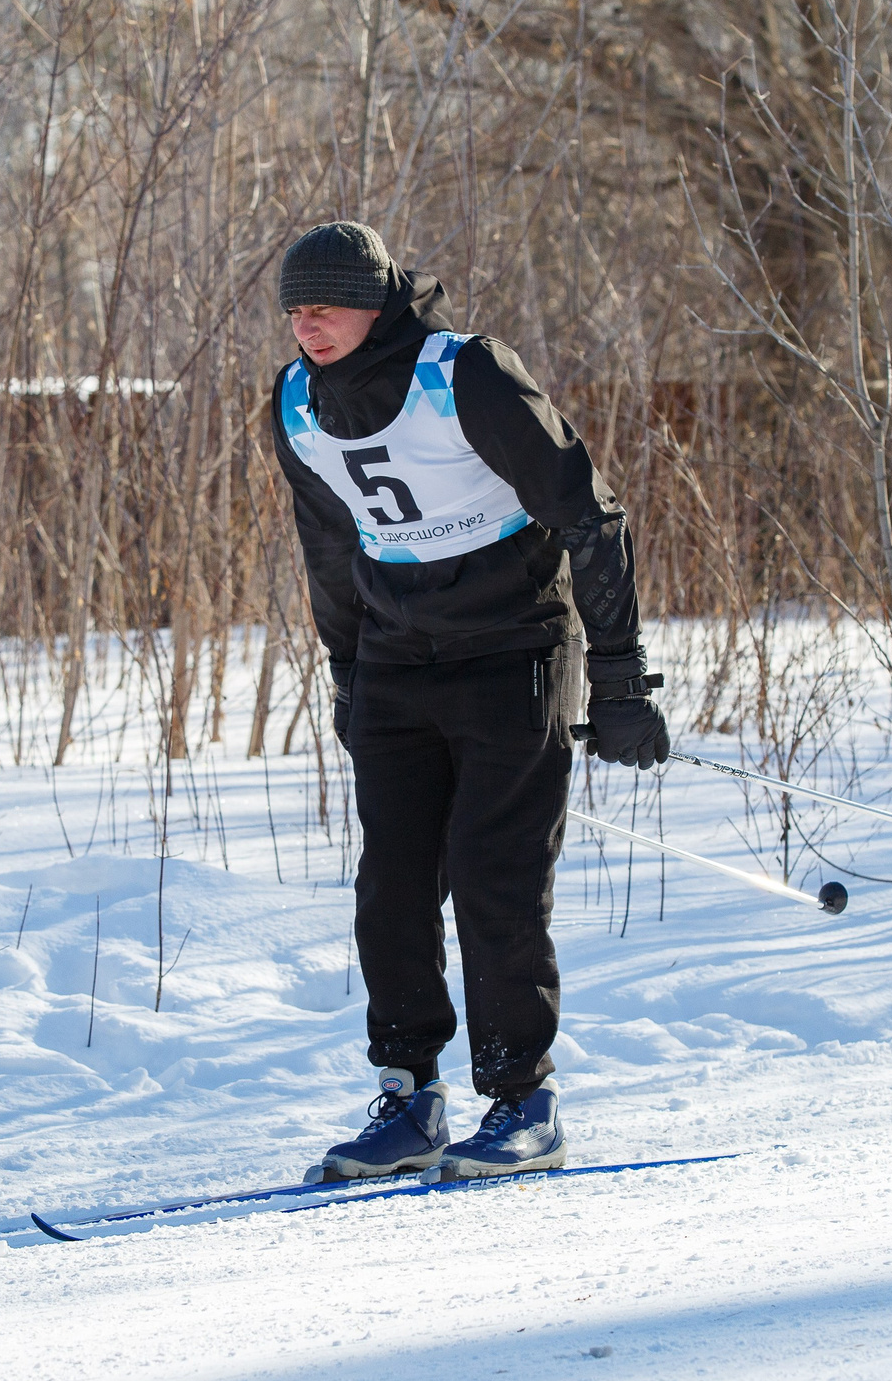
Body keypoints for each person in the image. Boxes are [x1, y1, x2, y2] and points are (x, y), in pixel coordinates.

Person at [270, 221, 669, 1181]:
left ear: (375, 303)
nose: (306, 325)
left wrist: (618, 674)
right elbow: (329, 545)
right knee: (392, 888)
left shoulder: (466, 373)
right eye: (294, 309)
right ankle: (410, 1096)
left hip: (512, 650)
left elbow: (590, 511)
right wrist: (349, 668)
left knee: (496, 878)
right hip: (399, 660)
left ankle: (522, 1099)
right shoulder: (296, 400)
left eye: (325, 306)